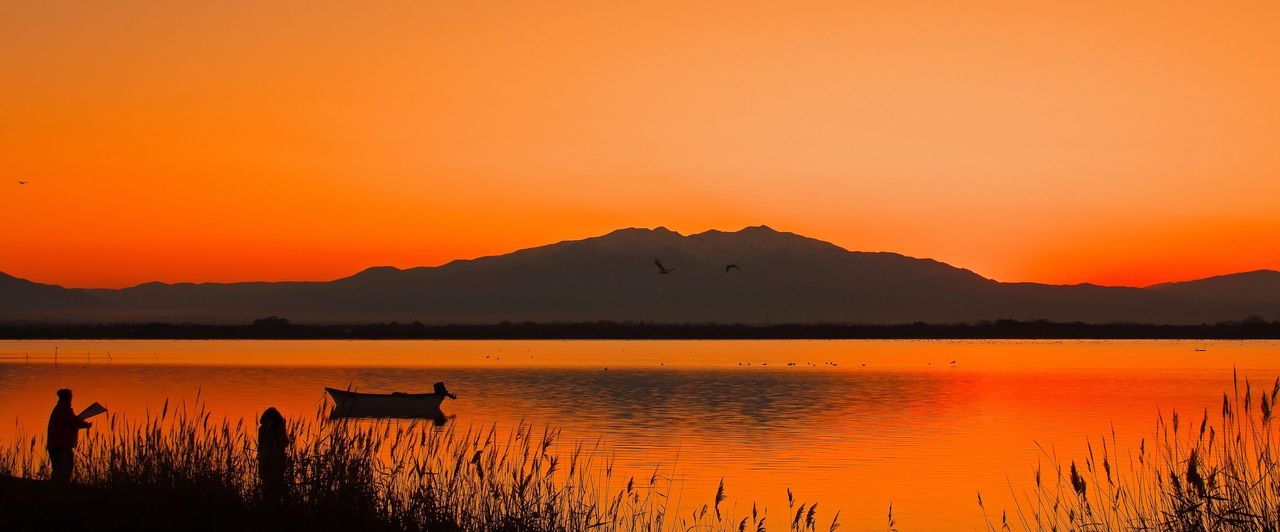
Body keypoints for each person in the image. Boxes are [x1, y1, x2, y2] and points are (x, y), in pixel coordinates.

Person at [46, 388, 92, 482]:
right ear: (67, 398)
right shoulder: (64, 409)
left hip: (55, 444)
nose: (71, 399)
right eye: (70, 397)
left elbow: (71, 420)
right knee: (65, 468)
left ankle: (55, 489)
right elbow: (73, 421)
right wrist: (86, 425)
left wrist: (80, 422)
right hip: (60, 445)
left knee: (58, 469)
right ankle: (60, 489)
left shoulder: (59, 408)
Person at [257, 407, 290, 505]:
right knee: (273, 488)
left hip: (269, 462)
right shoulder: (267, 429)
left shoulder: (265, 429)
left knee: (270, 488)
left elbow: (283, 443)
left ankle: (269, 507)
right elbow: (285, 443)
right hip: (273, 462)